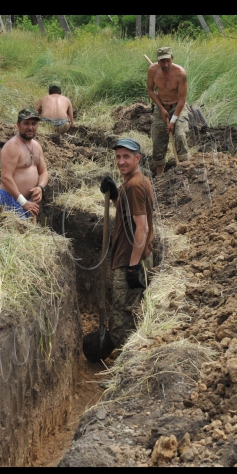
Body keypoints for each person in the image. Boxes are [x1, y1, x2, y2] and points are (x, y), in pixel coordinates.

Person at [99, 138, 154, 349]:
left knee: (122, 317)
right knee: (128, 311)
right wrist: (114, 194)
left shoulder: (134, 186)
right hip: (133, 256)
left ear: (137, 158)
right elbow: (127, 213)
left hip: (131, 259)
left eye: (126, 157)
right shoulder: (135, 182)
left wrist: (132, 266)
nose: (121, 162)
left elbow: (142, 228)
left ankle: (123, 369)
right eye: (118, 157)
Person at [0, 109, 49, 219]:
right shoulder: (12, 147)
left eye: (34, 124)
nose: (30, 127)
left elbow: (43, 172)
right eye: (26, 123)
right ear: (18, 125)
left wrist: (40, 187)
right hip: (10, 199)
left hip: (28, 201)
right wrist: (23, 202)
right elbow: (5, 178)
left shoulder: (37, 146)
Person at [146, 46, 191, 177]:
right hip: (161, 107)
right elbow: (150, 90)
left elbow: (182, 99)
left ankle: (184, 168)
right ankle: (159, 174)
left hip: (178, 107)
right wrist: (160, 108)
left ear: (172, 58)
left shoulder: (180, 73)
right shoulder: (152, 70)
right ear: (157, 61)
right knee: (158, 138)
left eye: (168, 60)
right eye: (162, 61)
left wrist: (172, 121)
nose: (165, 64)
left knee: (180, 135)